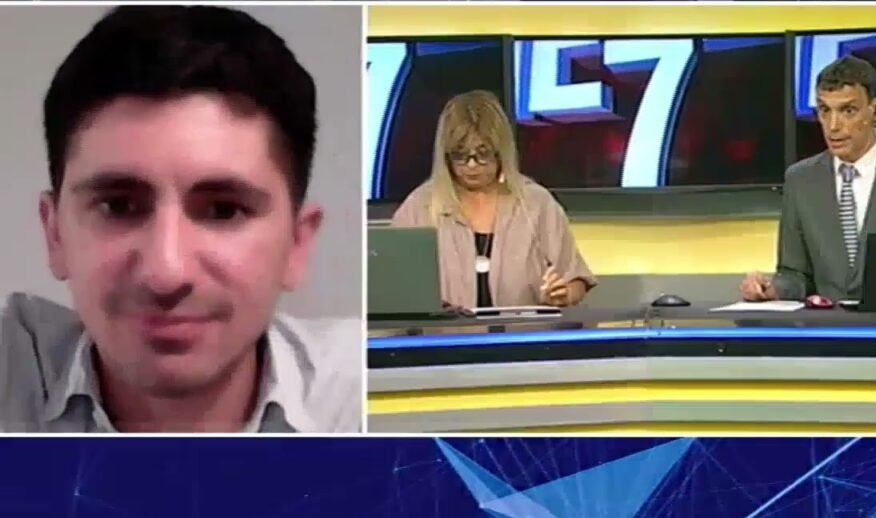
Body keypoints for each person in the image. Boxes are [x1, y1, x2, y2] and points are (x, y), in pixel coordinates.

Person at [0, 6, 361, 433]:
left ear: (297, 245)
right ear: (55, 234)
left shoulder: (363, 395)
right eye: (118, 206)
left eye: (224, 210)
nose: (166, 274)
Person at [740, 55, 876, 302]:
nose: (833, 126)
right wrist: (772, 288)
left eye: (848, 111)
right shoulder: (800, 180)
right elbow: (796, 275)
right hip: (828, 325)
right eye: (825, 110)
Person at [391, 90, 596, 309]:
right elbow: (390, 285)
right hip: (446, 332)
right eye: (460, 155)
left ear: (501, 151)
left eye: (483, 153)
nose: (471, 165)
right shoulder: (420, 206)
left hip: (522, 331)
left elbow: (575, 280)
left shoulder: (536, 203)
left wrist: (564, 294)